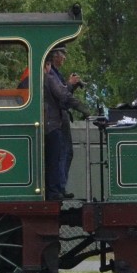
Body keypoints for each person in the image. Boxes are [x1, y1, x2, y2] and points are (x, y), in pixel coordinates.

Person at [43, 50, 91, 200]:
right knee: (57, 157)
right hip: (53, 122)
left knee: (56, 157)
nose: (64, 57)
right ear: (47, 64)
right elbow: (63, 95)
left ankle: (56, 190)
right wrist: (83, 108)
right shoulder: (49, 77)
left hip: (50, 121)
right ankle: (56, 191)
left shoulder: (46, 76)